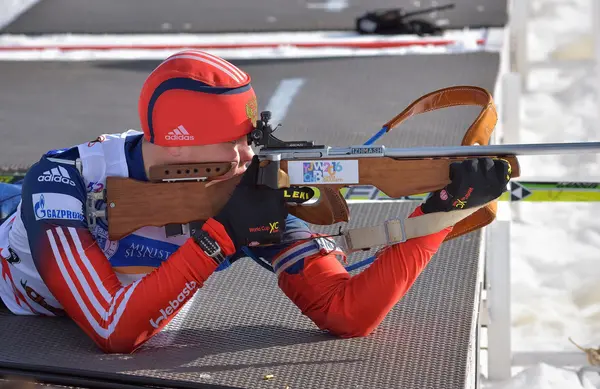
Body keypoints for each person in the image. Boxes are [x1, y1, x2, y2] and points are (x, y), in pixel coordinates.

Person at [0, 49, 510, 354]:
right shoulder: (64, 181)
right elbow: (112, 330)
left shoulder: (247, 187)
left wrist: (442, 212)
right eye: (233, 142)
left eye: (250, 136)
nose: (248, 155)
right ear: (178, 142)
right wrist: (218, 239)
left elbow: (349, 313)